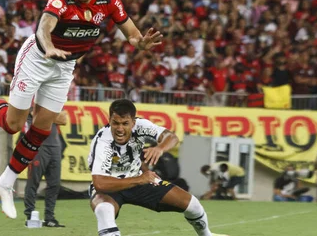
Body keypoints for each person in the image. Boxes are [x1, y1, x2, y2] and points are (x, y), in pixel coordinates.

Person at [0, 0, 162, 219]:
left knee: (42, 128)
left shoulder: (109, 1)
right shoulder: (61, 0)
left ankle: (5, 183)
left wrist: (141, 43)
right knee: (13, 124)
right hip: (38, 58)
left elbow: (132, 34)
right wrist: (50, 46)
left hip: (66, 65)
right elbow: (44, 27)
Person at [87, 100, 228, 236]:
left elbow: (171, 137)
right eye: (115, 123)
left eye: (125, 124)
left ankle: (207, 235)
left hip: (138, 180)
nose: (120, 129)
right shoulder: (103, 142)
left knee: (192, 204)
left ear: (133, 122)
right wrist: (140, 178)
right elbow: (100, 183)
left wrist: (160, 148)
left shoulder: (142, 126)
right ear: (109, 120)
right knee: (104, 210)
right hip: (111, 186)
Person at [24, 110, 67, 227]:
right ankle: (30, 216)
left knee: (55, 184)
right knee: (33, 181)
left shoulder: (53, 101)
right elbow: (37, 116)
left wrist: (47, 116)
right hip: (38, 146)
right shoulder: (34, 98)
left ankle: (49, 218)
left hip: (55, 147)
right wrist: (53, 116)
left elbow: (63, 119)